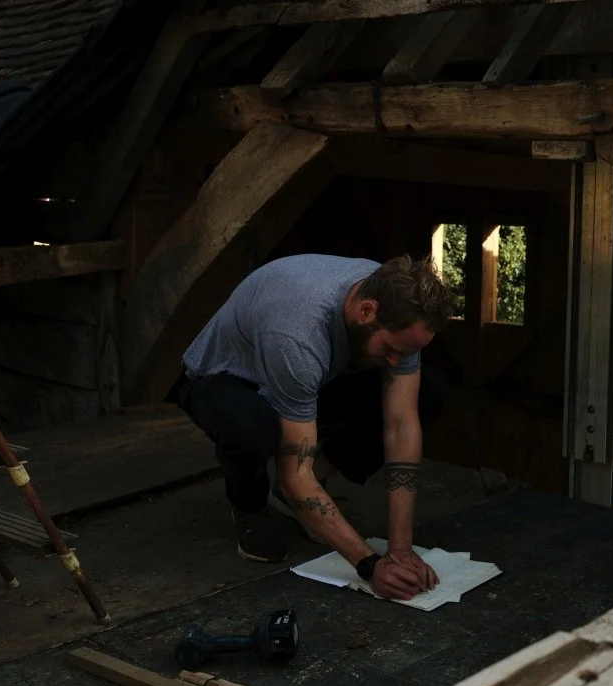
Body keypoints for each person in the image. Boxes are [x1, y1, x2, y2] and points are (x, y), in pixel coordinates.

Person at [173, 253, 454, 601]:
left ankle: (308, 489)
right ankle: (250, 506)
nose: (397, 361)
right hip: (227, 379)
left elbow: (401, 425)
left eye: (406, 352)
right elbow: (295, 475)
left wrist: (401, 549)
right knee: (254, 427)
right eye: (391, 349)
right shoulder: (297, 333)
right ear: (366, 311)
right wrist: (370, 564)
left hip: (309, 376)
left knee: (430, 389)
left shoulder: (399, 305)